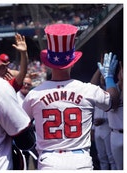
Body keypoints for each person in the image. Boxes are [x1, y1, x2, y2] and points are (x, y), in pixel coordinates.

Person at [22, 24, 119, 170]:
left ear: (49, 63)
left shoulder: (34, 95)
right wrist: (109, 77)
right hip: (80, 161)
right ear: (72, 63)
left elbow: (20, 125)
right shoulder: (87, 90)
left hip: (49, 162)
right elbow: (113, 101)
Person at [0, 77, 35, 170]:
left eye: (29, 84)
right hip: (16, 135)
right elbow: (26, 140)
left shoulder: (30, 96)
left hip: (14, 134)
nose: (26, 86)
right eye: (25, 83)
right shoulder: (3, 88)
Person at [90, 64, 116, 170]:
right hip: (97, 128)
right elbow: (92, 83)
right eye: (100, 78)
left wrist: (104, 120)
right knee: (101, 158)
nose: (101, 80)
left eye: (103, 77)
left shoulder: (113, 91)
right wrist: (92, 128)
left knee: (112, 158)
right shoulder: (96, 92)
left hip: (108, 128)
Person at [106, 61, 123, 170]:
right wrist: (108, 77)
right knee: (118, 167)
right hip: (115, 133)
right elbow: (113, 102)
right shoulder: (112, 87)